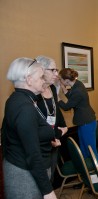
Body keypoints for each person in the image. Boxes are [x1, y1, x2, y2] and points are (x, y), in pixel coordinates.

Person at [2, 57, 57, 199]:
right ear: (29, 79)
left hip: (18, 167)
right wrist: (48, 191)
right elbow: (32, 154)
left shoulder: (16, 99)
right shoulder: (25, 107)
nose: (43, 80)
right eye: (40, 77)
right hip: (24, 177)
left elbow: (7, 134)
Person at [58, 68, 98, 164]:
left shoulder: (78, 90)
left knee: (91, 149)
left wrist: (56, 99)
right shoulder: (77, 84)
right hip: (84, 121)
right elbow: (73, 98)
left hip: (87, 122)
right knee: (83, 148)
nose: (59, 81)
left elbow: (67, 107)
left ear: (67, 80)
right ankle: (87, 172)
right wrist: (64, 89)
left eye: (61, 79)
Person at [35, 56, 68, 180]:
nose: (56, 74)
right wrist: (51, 137)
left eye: (56, 70)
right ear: (41, 70)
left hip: (55, 139)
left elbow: (55, 111)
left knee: (51, 176)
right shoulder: (34, 92)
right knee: (41, 180)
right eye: (53, 70)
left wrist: (63, 128)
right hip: (40, 143)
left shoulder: (53, 88)